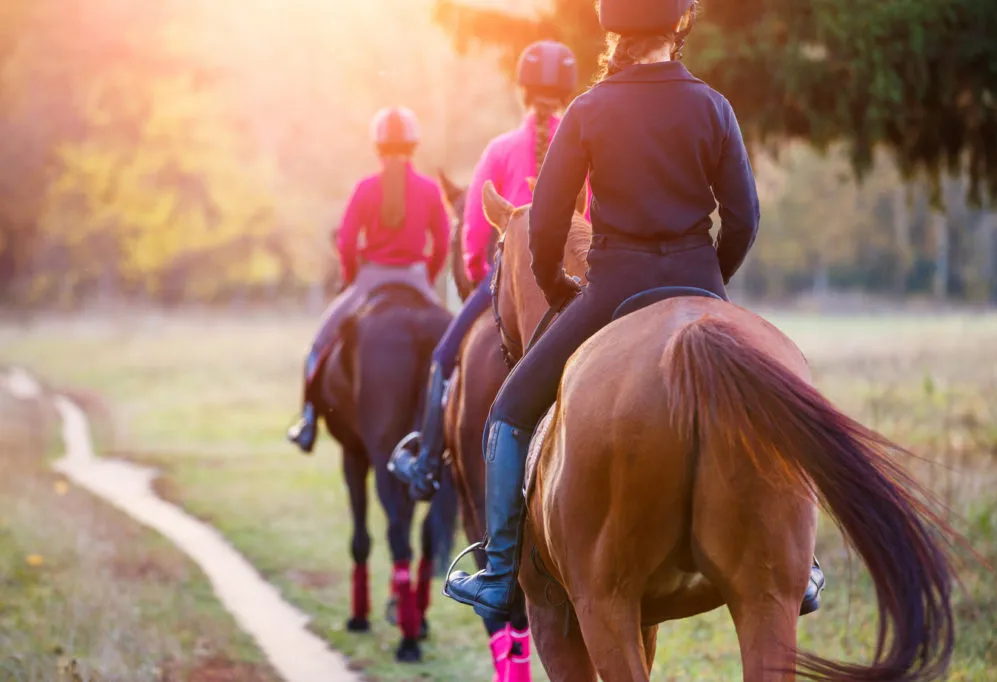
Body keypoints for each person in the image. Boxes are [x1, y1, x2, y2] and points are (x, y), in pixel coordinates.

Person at [444, 0, 826, 619]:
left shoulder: (588, 110)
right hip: (700, 285)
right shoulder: (712, 105)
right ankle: (800, 563)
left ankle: (498, 573)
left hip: (611, 291)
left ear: (612, 28)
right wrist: (708, 283)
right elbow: (745, 217)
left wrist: (555, 282)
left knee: (509, 413)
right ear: (681, 23)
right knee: (785, 397)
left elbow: (545, 220)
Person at [389, 41, 580, 499]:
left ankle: (427, 462)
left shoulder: (499, 149)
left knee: (442, 358)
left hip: (508, 274)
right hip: (575, 282)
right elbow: (590, 217)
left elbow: (474, 230)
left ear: (522, 92)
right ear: (566, 94)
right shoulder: (582, 146)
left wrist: (479, 271)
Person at [287, 107, 450, 453]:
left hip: (369, 279)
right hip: (417, 279)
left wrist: (352, 279)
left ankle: (307, 421)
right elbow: (444, 241)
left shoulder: (365, 188)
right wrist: (428, 278)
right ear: (414, 145)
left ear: (378, 147)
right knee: (455, 346)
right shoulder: (429, 190)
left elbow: (347, 243)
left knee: (317, 347)